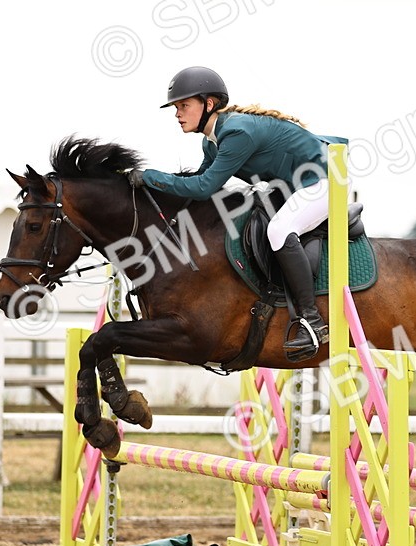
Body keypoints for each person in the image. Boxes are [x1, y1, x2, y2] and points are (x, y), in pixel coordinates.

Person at [128, 66, 344, 363]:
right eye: (176, 107)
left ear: (209, 104)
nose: (178, 114)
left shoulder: (236, 133)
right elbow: (199, 190)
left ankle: (313, 321)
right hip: (292, 186)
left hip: (323, 180)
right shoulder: (212, 141)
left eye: (184, 106)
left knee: (279, 230)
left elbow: (204, 187)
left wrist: (151, 177)